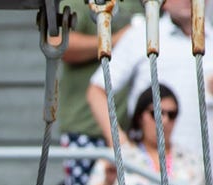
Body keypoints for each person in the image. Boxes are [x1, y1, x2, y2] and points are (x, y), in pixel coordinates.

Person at [58, 0, 141, 185]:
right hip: (85, 124)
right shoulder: (78, 3)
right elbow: (60, 43)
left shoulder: (137, 4)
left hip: (129, 127)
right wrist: (116, 40)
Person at [87, 0, 213, 161]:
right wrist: (120, 144)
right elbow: (97, 90)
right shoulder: (141, 35)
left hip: (202, 172)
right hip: (149, 171)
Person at [82, 85, 207, 185]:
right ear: (140, 116)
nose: (165, 120)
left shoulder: (193, 161)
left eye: (172, 114)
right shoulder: (118, 157)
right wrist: (107, 184)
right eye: (156, 113)